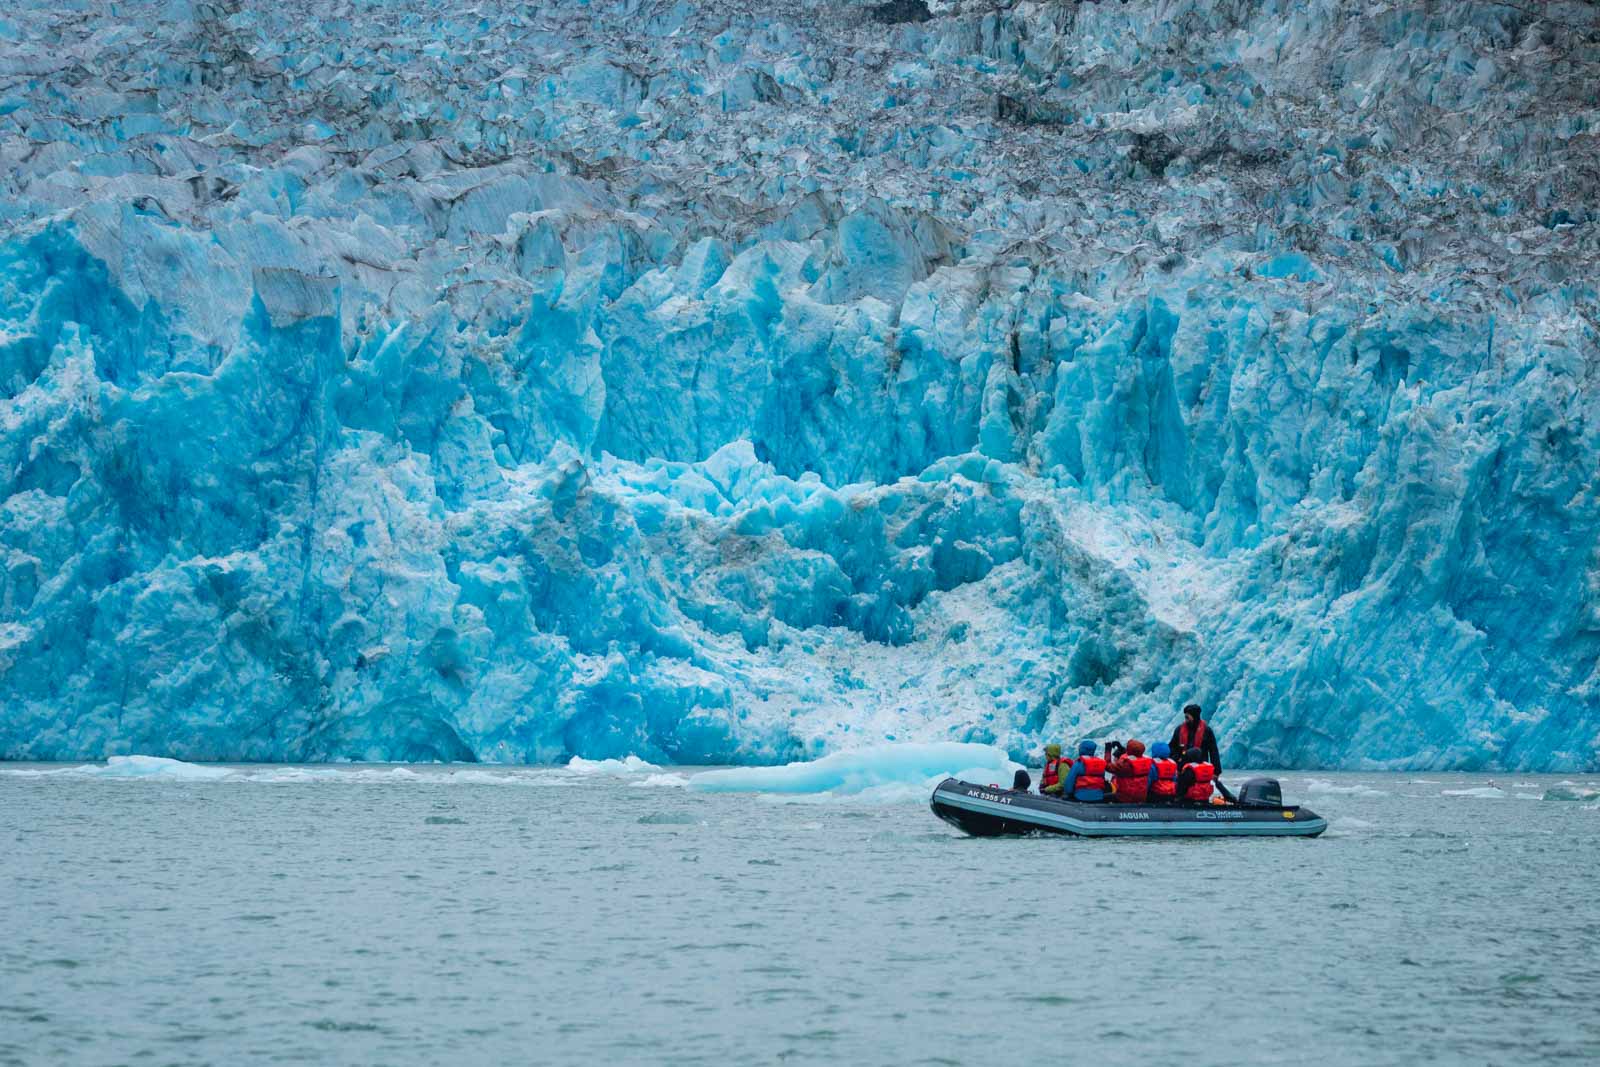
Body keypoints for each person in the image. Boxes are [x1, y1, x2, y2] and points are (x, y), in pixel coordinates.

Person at [1169, 703, 1222, 773]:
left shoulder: (1207, 731)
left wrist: (1216, 772)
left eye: (1187, 717)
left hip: (1201, 768)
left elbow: (1214, 752)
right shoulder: (1179, 730)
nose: (1186, 720)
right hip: (1183, 769)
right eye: (1185, 717)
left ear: (1195, 717)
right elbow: (1172, 748)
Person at [1106, 739, 1152, 803]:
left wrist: (1108, 749)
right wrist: (1120, 747)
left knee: (1104, 797)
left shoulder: (1125, 765)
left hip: (1125, 798)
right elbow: (1131, 755)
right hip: (1141, 797)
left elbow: (1107, 766)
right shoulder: (1148, 762)